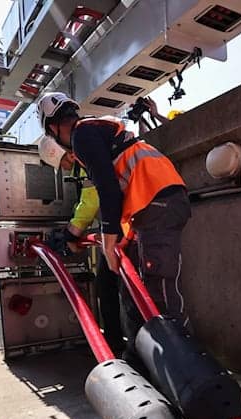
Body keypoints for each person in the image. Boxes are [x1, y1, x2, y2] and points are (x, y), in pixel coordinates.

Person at [36, 92, 191, 354]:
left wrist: (108, 245)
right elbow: (117, 190)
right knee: (140, 288)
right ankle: (146, 359)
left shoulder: (81, 135)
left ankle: (185, 364)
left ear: (53, 128)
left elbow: (107, 190)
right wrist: (121, 237)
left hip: (157, 200)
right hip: (157, 201)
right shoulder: (94, 130)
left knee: (158, 289)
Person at [38, 136, 126, 354]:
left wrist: (71, 234)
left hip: (124, 230)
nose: (66, 170)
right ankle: (116, 347)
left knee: (116, 290)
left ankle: (123, 348)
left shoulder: (86, 159)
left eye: (63, 165)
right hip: (117, 231)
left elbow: (91, 201)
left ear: (66, 155)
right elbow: (87, 200)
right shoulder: (91, 156)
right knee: (106, 288)